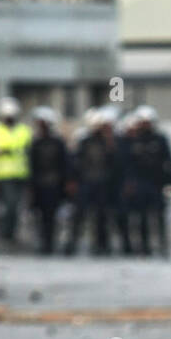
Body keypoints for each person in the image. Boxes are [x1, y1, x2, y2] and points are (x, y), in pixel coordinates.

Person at [65, 107, 119, 256]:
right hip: (86, 183)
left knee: (102, 217)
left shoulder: (109, 142)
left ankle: (102, 245)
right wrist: (73, 181)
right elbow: (76, 163)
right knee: (79, 215)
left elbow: (115, 162)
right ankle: (72, 243)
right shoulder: (85, 141)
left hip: (102, 183)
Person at [121, 105, 171, 257]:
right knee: (141, 216)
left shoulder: (160, 139)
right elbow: (127, 163)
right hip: (140, 182)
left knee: (159, 215)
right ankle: (144, 247)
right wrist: (129, 182)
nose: (145, 125)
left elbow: (168, 161)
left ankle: (163, 245)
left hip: (157, 182)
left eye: (147, 122)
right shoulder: (132, 140)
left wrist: (170, 182)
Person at [0, 97, 31, 244]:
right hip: (1, 175)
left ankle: (10, 234)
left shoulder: (24, 130)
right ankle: (5, 235)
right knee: (8, 205)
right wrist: (0, 151)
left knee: (16, 207)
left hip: (20, 174)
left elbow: (29, 149)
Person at [28, 106, 69, 255]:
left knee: (52, 216)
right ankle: (43, 243)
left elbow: (64, 164)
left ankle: (51, 243)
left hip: (54, 185)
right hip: (39, 185)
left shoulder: (58, 143)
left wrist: (65, 184)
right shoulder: (35, 143)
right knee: (40, 216)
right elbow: (32, 166)